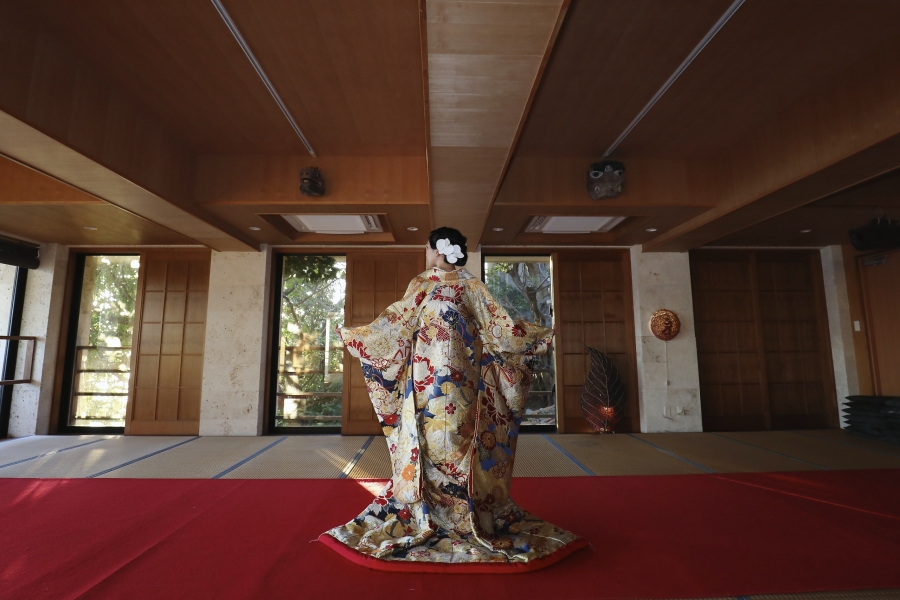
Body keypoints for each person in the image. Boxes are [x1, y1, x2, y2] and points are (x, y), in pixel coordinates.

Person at [318, 227, 585, 570]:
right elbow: (395, 326)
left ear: (439, 249)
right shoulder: (422, 284)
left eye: (428, 248)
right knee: (428, 442)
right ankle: (427, 513)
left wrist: (534, 337)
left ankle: (464, 514)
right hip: (425, 383)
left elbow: (498, 328)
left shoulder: (471, 286)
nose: (426, 253)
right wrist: (360, 336)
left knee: (458, 440)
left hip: (463, 384)